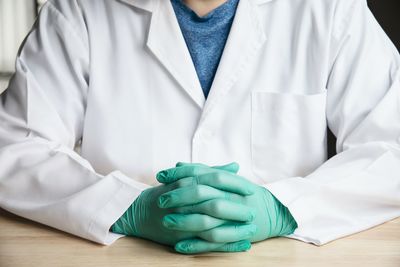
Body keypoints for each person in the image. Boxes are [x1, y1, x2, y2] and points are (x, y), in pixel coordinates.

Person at [0, 0, 399, 255]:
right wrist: (126, 208)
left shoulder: (331, 9)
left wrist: (282, 209)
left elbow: (392, 150)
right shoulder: (77, 10)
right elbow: (13, 147)